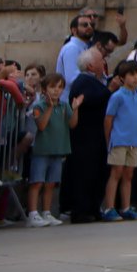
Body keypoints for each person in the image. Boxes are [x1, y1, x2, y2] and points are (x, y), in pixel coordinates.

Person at [62, 47, 112, 223]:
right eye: (100, 60)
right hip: (85, 138)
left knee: (97, 173)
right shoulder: (83, 81)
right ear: (91, 66)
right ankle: (81, 210)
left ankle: (93, 208)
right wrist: (110, 90)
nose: (103, 63)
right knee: (85, 175)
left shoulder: (94, 81)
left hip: (95, 136)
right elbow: (89, 99)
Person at [26, 73, 78, 226]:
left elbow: (73, 124)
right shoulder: (38, 106)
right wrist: (49, 107)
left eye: (60, 87)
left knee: (51, 183)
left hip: (58, 149)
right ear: (44, 89)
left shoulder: (64, 106)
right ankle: (32, 213)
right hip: (42, 150)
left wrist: (75, 109)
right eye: (52, 87)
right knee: (37, 182)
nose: (56, 90)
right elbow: (41, 125)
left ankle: (47, 212)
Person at [101, 61, 137, 221]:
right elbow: (108, 119)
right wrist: (109, 139)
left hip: (134, 141)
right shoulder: (117, 96)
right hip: (119, 140)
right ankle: (109, 208)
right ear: (122, 77)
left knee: (129, 174)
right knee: (116, 173)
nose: (136, 78)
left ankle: (126, 207)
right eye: (131, 75)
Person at [56, 11, 97, 87]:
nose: (89, 27)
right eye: (85, 25)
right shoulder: (72, 48)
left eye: (92, 25)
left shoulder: (85, 47)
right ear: (74, 30)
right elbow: (73, 79)